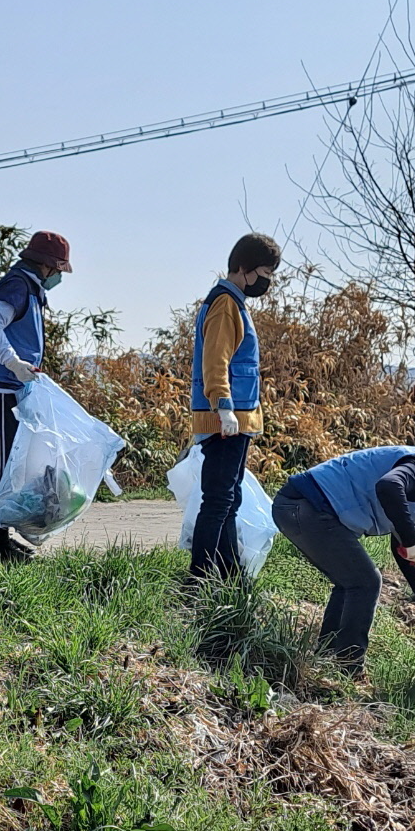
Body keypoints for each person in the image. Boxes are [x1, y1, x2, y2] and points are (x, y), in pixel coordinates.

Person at [271, 441, 415, 675]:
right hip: (305, 506)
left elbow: (403, 550)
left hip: (304, 509)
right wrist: (410, 538)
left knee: (351, 582)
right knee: (365, 582)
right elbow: (388, 486)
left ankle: (326, 659)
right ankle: (349, 668)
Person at [0, 230, 72, 563]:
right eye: (58, 269)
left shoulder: (30, 289)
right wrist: (12, 363)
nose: (58, 276)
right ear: (47, 265)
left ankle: (1, 536)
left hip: (10, 387)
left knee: (11, 465)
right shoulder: (17, 286)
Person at [188, 232, 281, 583]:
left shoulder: (235, 302)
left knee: (229, 499)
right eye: (264, 273)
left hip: (236, 421)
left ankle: (230, 576)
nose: (267, 282)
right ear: (243, 268)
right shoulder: (225, 304)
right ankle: (198, 580)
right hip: (225, 420)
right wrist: (223, 407)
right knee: (218, 500)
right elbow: (216, 361)